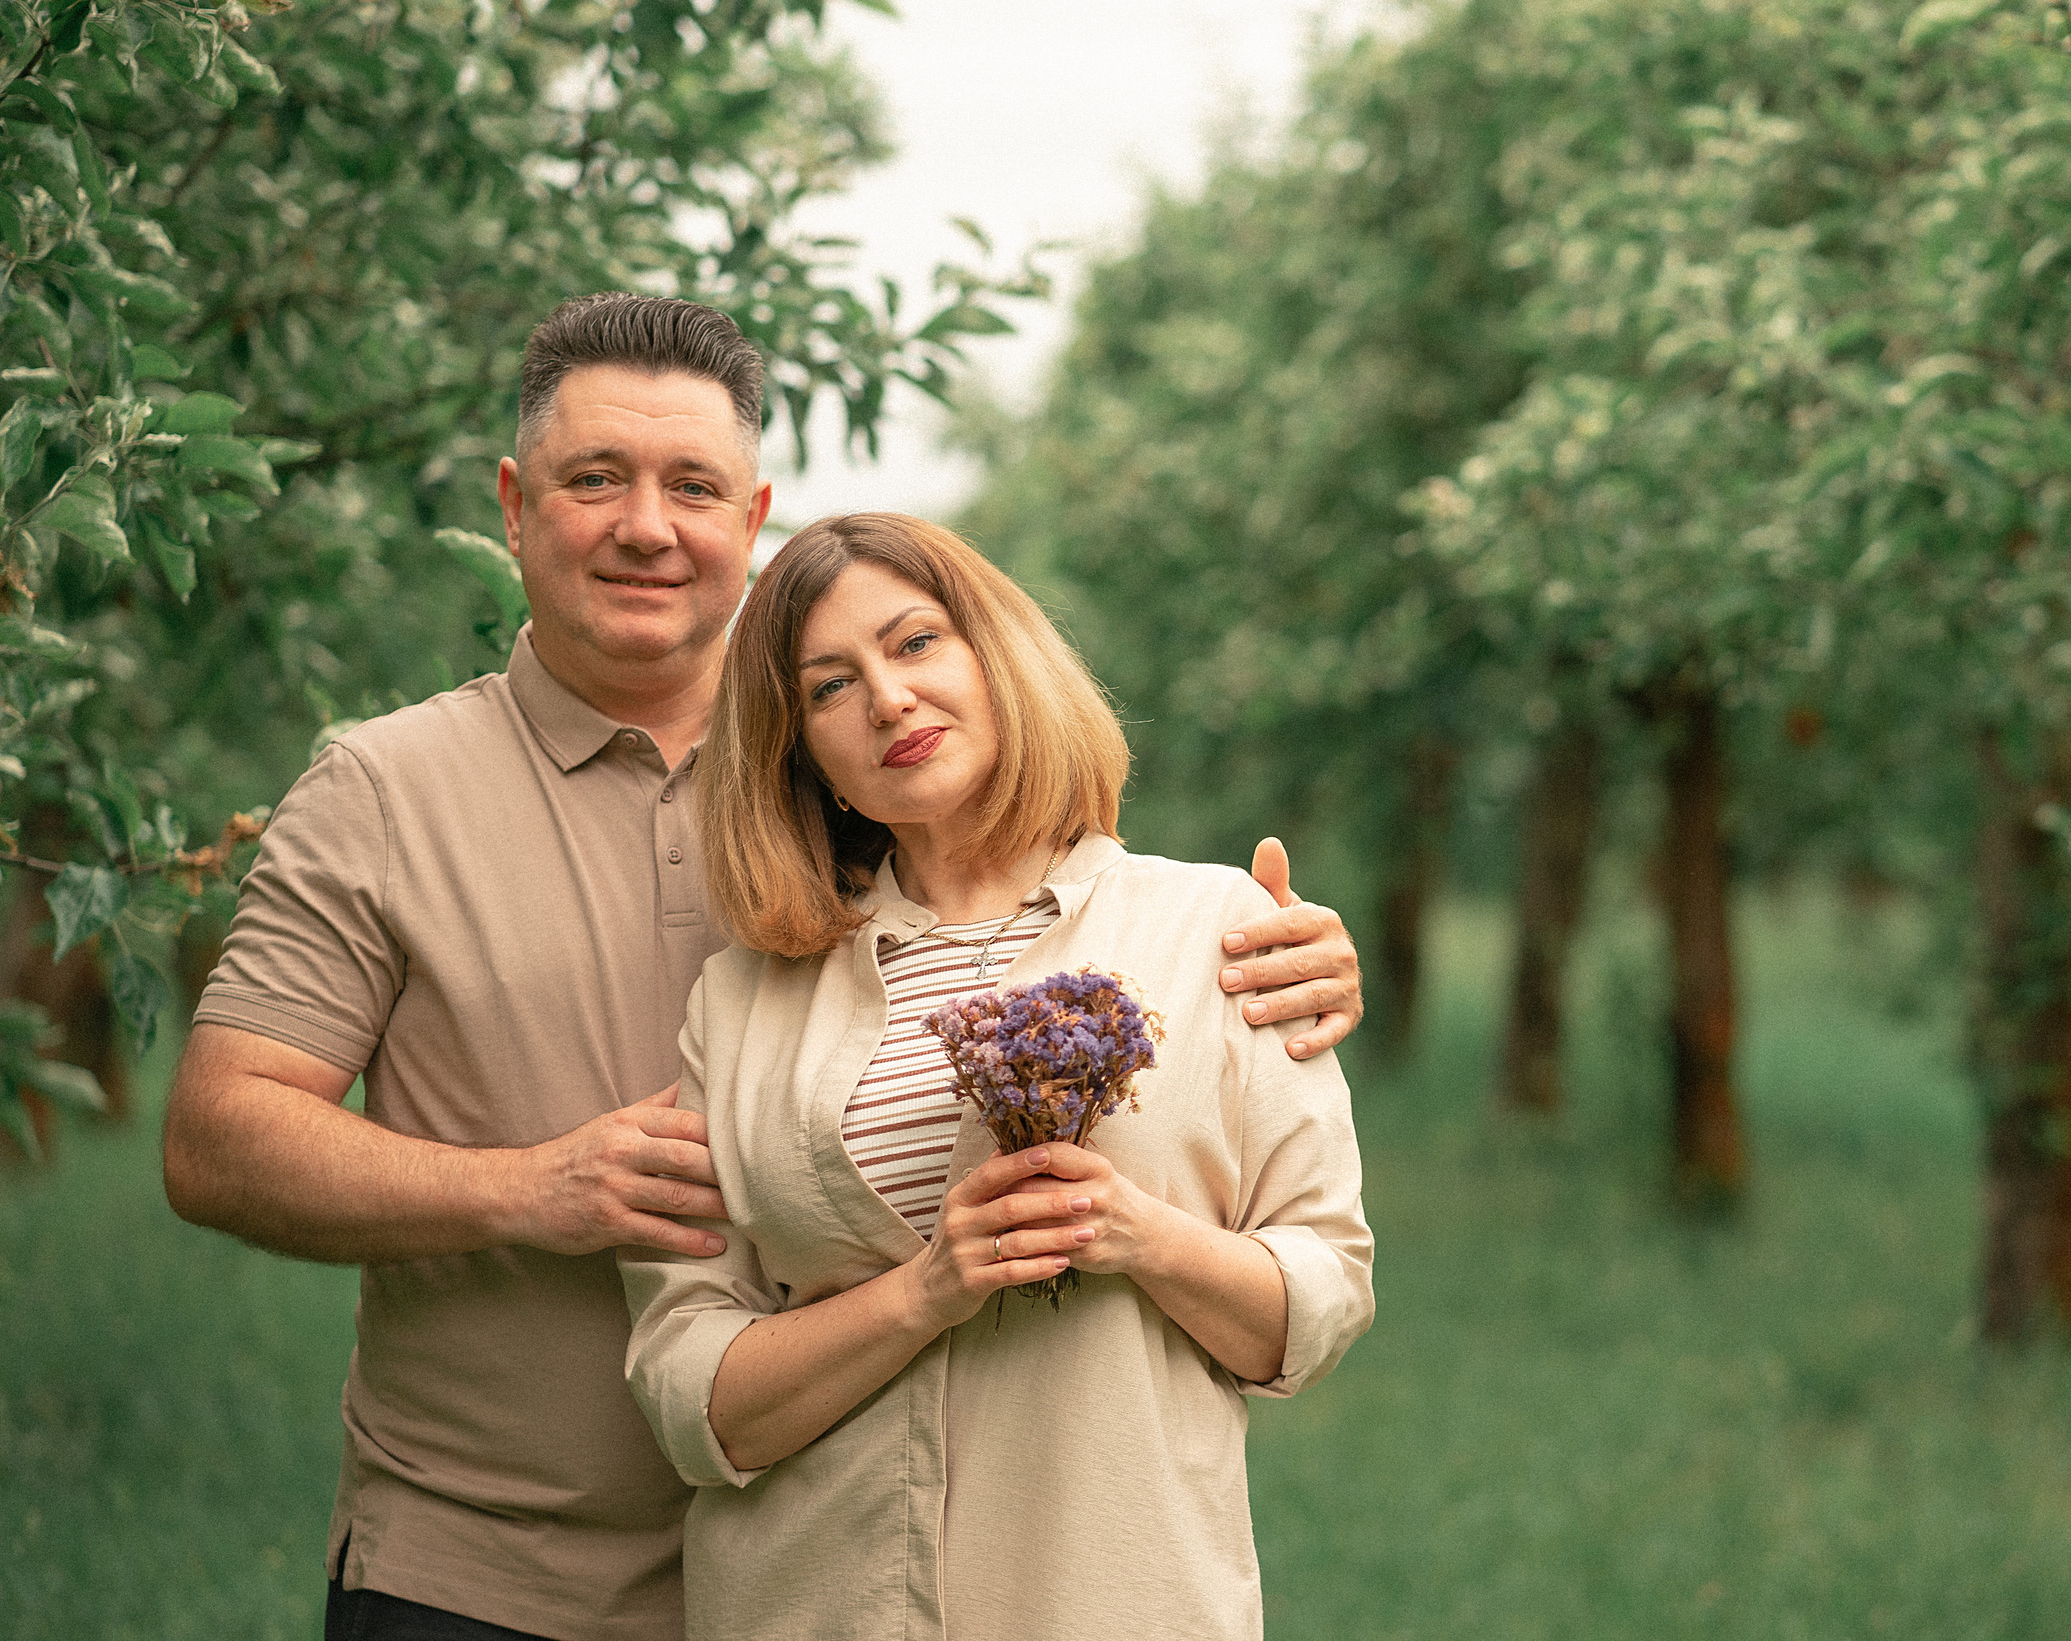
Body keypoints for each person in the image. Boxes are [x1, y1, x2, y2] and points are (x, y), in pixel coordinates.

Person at [159, 294, 1366, 1641]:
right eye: (593, 478)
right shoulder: (386, 791)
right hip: (493, 1569)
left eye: (693, 484)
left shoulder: (857, 779)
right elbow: (217, 1137)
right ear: (514, 504)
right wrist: (532, 1187)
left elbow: (1057, 905)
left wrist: (1266, 965)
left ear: (752, 515)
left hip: (830, 1573)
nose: (645, 524)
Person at [619, 512, 1372, 1641]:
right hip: (808, 1602)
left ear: (994, 655)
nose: (887, 700)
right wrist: (927, 1290)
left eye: (915, 643)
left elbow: (1319, 1301)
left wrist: (1134, 1232)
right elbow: (687, 1393)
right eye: (830, 687)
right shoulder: (740, 1003)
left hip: (1111, 1597)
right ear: (800, 750)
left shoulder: (1217, 932)